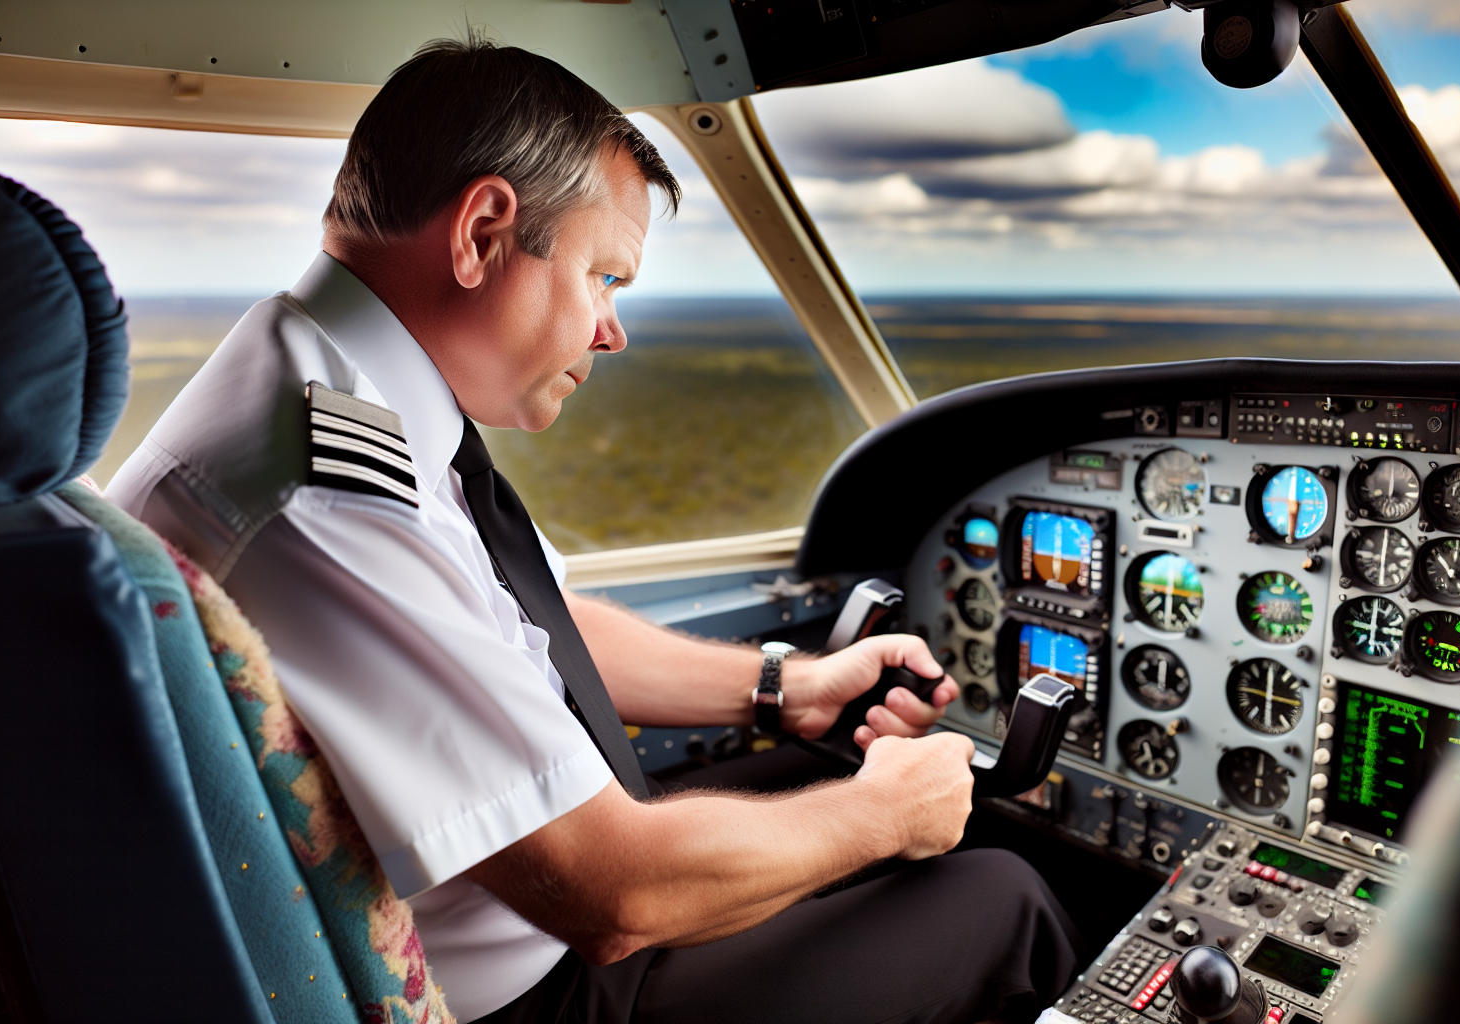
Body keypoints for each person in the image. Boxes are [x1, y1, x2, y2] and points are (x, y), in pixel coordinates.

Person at [108, 37, 1083, 1024]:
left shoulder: (319, 383)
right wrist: (887, 814)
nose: (612, 331)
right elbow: (614, 894)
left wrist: (783, 687)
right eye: (604, 279)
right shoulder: (322, 495)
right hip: (543, 986)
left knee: (828, 769)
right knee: (997, 895)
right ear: (483, 231)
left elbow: (530, 628)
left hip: (527, 922)